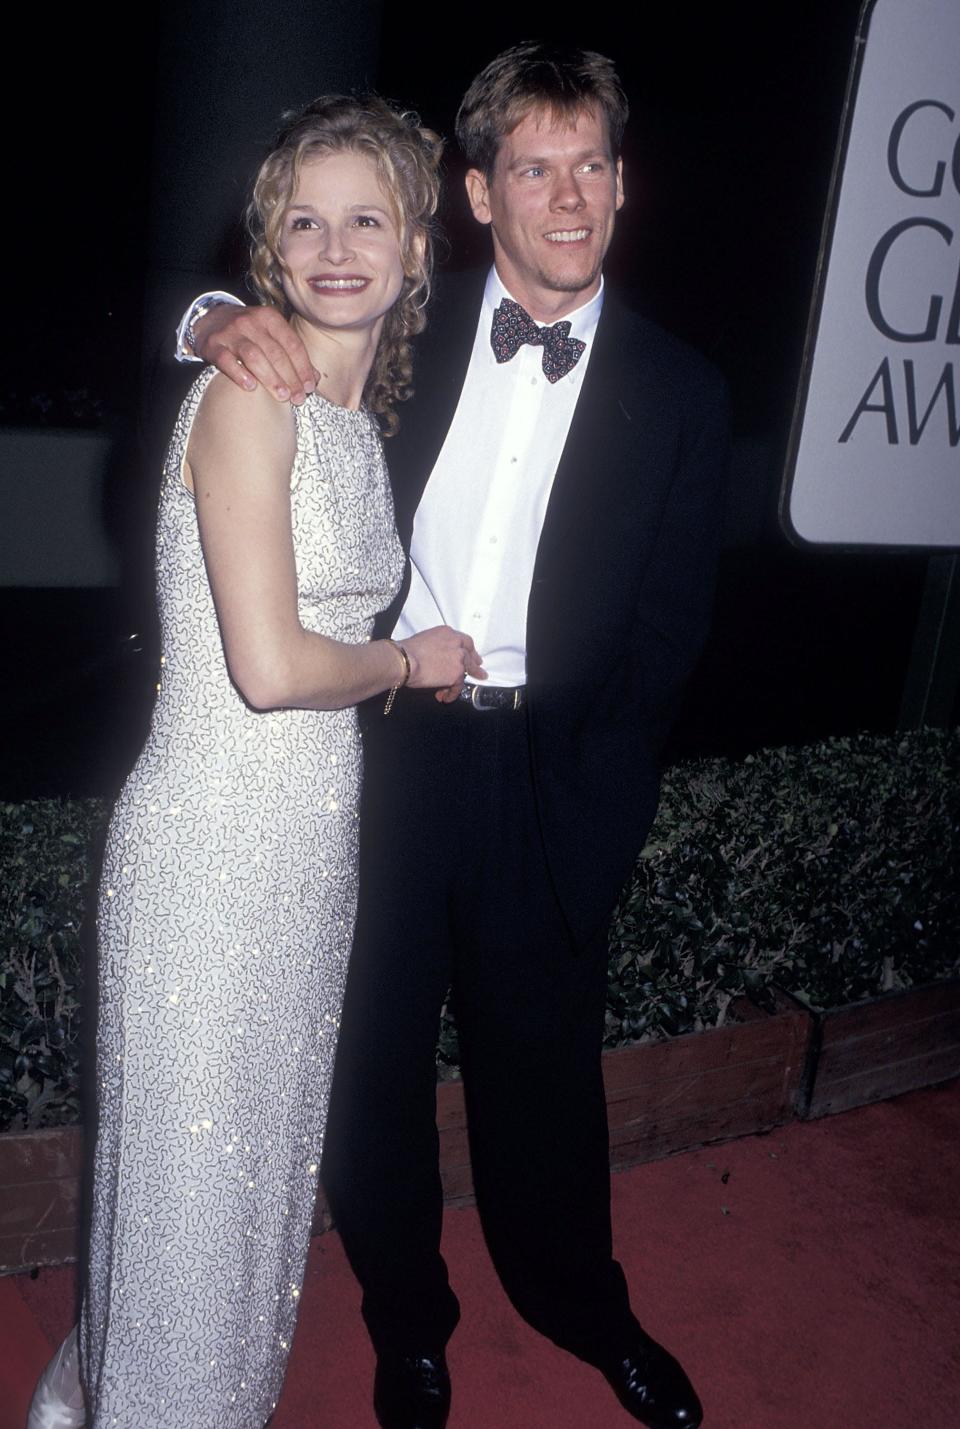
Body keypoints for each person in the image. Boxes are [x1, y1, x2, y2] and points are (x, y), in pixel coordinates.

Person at [182, 42, 729, 1429]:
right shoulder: (406, 340)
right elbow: (277, 313)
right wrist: (205, 318)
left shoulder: (683, 393)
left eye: (590, 165)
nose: (566, 197)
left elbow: (669, 644)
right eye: (533, 168)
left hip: (551, 778)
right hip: (391, 752)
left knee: (541, 1081)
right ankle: (408, 1321)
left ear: (623, 184)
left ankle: (581, 1302)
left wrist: (597, 820)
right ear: (478, 195)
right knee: (371, 1066)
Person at [27, 95, 483, 1429]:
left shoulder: (361, 408)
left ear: (413, 243)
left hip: (305, 851)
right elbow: (272, 667)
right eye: (304, 219)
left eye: (367, 218)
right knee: (192, 1200)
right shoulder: (251, 390)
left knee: (243, 1193)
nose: (336, 247)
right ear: (268, 250)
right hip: (215, 851)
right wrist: (412, 659)